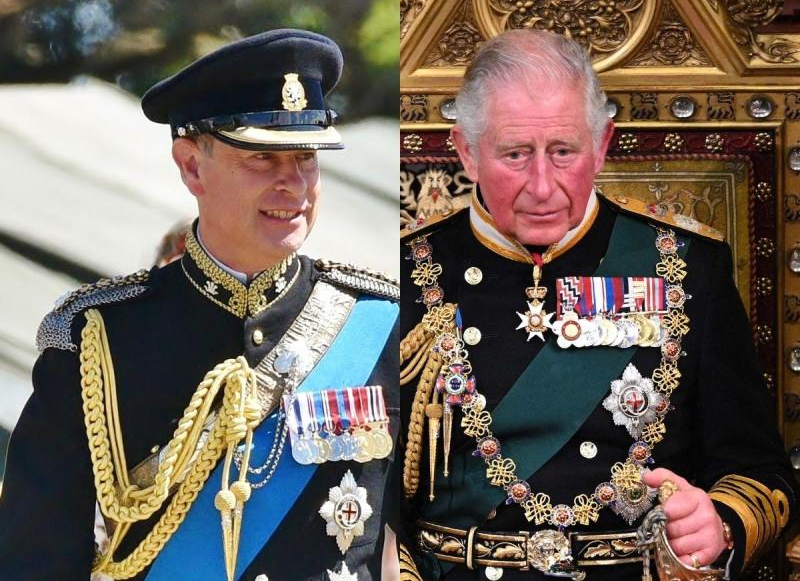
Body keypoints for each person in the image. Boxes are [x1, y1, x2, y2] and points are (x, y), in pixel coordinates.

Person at [0, 29, 399, 581]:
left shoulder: (381, 327)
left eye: (307, 157)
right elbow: (34, 558)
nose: (294, 184)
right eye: (263, 157)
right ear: (191, 166)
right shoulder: (96, 339)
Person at [398, 29, 796, 581]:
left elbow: (760, 473)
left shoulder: (687, 267)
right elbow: (370, 493)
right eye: (515, 154)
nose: (541, 186)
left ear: (602, 143)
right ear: (466, 149)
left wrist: (719, 522)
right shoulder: (402, 274)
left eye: (564, 152)